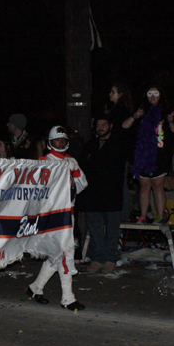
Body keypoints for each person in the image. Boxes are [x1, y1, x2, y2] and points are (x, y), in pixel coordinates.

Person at [26, 126, 88, 311]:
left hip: (68, 214)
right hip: (51, 216)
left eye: (63, 140)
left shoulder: (71, 161)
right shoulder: (43, 162)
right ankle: (68, 298)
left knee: (56, 254)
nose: (60, 143)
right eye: (57, 140)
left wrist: (75, 172)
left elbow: (82, 184)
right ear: (49, 142)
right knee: (66, 253)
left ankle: (35, 288)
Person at [79, 116, 130, 274]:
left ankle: (109, 260)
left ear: (111, 126)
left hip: (112, 194)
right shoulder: (90, 145)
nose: (100, 127)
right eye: (98, 125)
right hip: (93, 195)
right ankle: (97, 259)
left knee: (112, 230)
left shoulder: (118, 144)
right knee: (94, 229)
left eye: (103, 124)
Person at [130, 86, 174, 223]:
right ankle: (143, 216)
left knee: (158, 185)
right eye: (149, 93)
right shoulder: (141, 112)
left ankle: (160, 216)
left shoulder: (166, 112)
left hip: (160, 155)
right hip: (143, 156)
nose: (152, 96)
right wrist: (135, 116)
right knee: (144, 186)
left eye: (155, 94)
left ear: (160, 96)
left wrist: (170, 122)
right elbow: (127, 128)